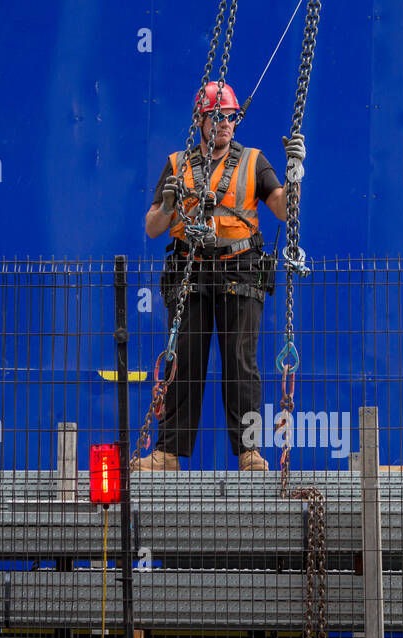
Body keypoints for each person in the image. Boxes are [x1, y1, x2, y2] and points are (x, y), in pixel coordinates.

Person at [135, 80, 305, 472]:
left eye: (230, 116)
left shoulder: (254, 162)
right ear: (202, 120)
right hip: (189, 271)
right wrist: (170, 204)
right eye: (217, 116)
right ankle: (168, 453)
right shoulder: (178, 165)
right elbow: (153, 226)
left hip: (240, 269)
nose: (225, 123)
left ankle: (249, 451)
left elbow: (283, 210)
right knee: (184, 362)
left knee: (240, 363)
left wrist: (295, 174)